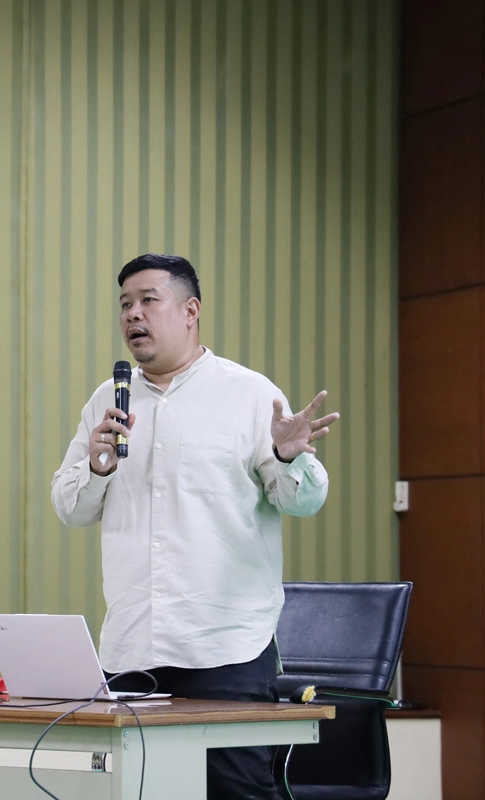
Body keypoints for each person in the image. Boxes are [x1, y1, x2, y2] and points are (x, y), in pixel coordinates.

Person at [50, 254, 340, 800]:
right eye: (124, 304)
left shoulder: (249, 393)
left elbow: (304, 501)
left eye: (147, 300)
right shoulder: (107, 401)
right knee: (136, 792)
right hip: (132, 648)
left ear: (190, 311)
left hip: (225, 648)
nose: (133, 314)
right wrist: (95, 467)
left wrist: (286, 456)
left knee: (234, 793)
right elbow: (70, 510)